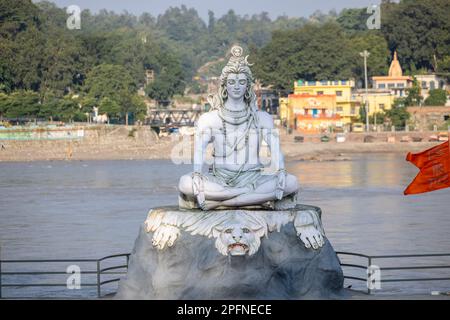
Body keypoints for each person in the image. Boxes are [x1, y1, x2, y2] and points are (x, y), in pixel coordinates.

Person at [178, 45, 299, 210]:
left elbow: (276, 151)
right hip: (220, 180)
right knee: (185, 183)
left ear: (248, 86)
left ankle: (221, 202)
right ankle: (251, 199)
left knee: (291, 182)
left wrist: (281, 171)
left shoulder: (262, 118)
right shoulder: (210, 119)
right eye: (232, 82)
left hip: (253, 179)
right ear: (224, 86)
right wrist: (198, 174)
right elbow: (199, 151)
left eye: (241, 82)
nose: (236, 86)